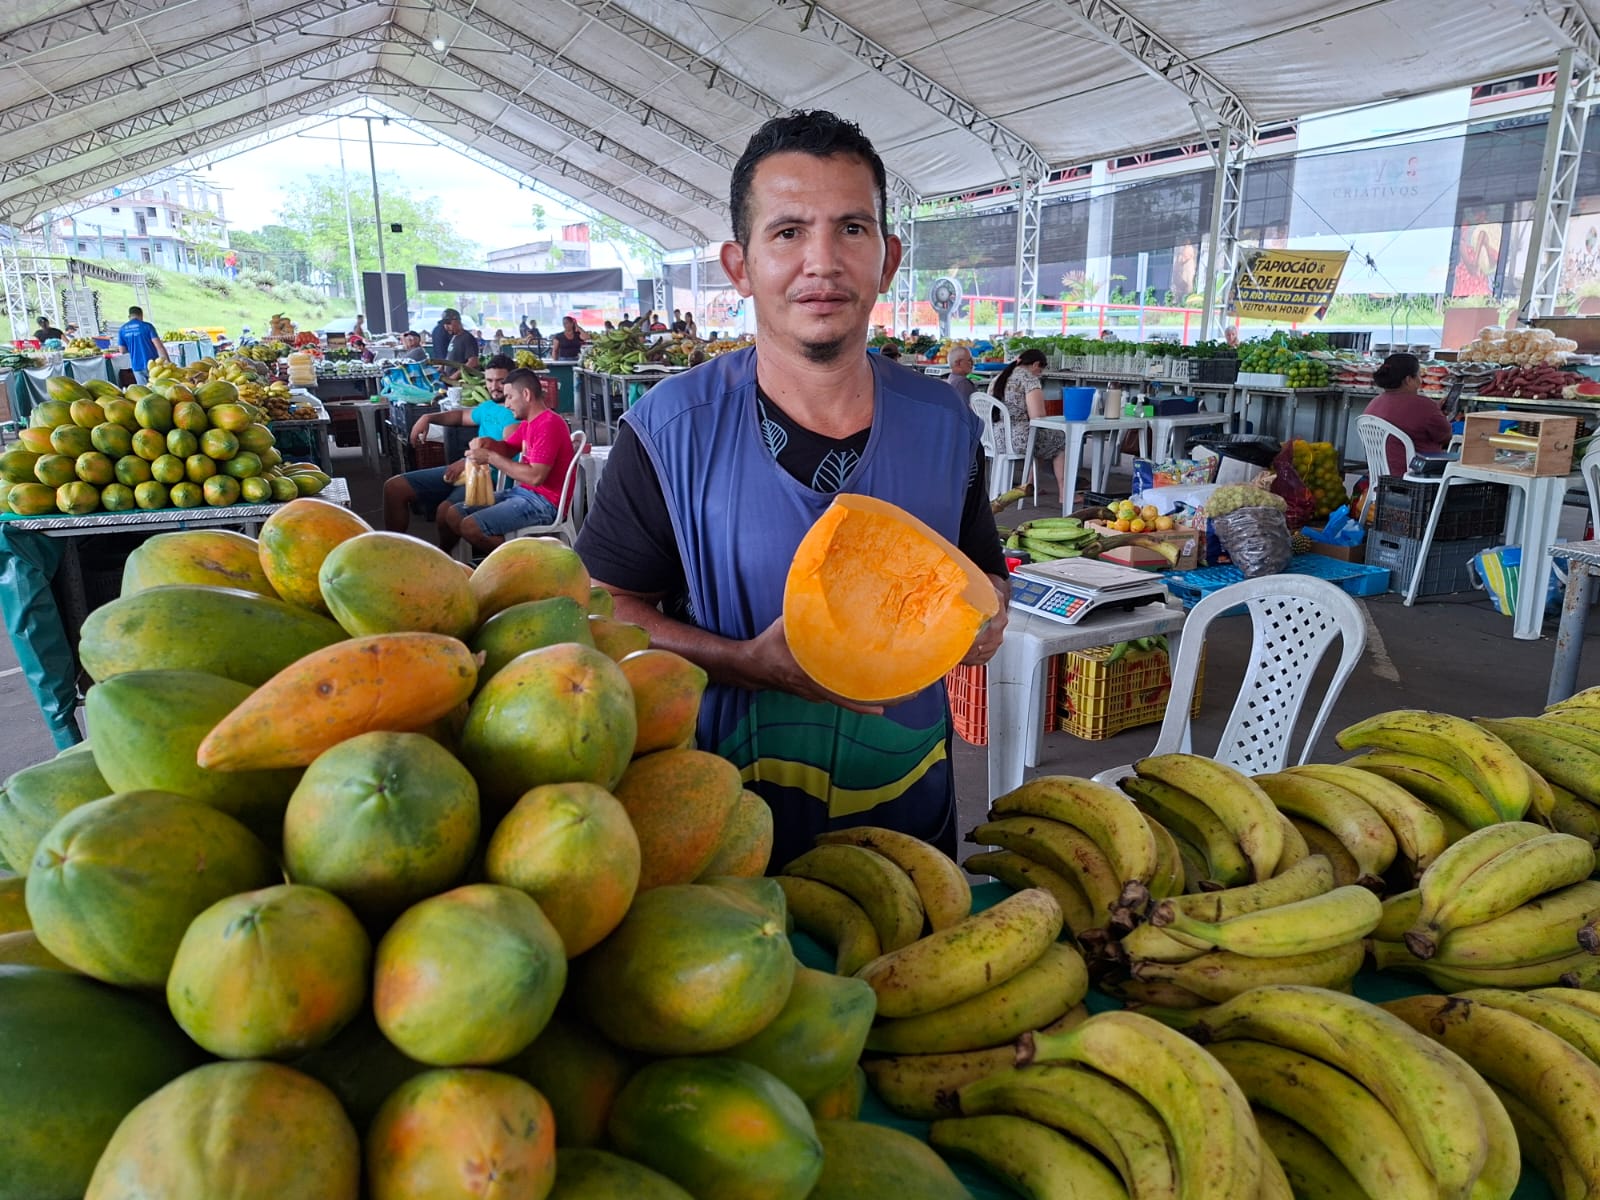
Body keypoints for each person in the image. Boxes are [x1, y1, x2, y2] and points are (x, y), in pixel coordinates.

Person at [574, 109, 1008, 864]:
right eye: (787, 232)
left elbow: (984, 574)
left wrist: (989, 619)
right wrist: (744, 660)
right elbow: (602, 608)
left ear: (888, 258)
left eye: (851, 228)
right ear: (740, 265)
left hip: (910, 813)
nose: (822, 262)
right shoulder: (668, 429)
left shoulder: (947, 424)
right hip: (725, 829)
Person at [438, 367, 576, 555]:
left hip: (545, 503)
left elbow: (536, 477)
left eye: (510, 397)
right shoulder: (530, 422)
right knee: (454, 514)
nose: (507, 403)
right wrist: (489, 444)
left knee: (471, 527)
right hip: (523, 494)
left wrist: (490, 457)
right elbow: (508, 448)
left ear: (526, 394)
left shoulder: (549, 424)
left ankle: (524, 566)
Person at [382, 355, 517, 533]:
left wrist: (468, 461)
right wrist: (428, 417)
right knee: (394, 488)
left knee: (445, 513)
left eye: (500, 381)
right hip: (468, 468)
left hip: (489, 480)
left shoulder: (515, 413)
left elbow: (506, 450)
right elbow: (461, 416)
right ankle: (391, 552)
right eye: (490, 380)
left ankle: (446, 556)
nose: (493, 387)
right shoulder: (488, 406)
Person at [993, 348, 1066, 501]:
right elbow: (1037, 417)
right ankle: (1064, 493)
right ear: (1036, 365)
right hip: (1018, 441)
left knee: (1040, 439)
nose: (1040, 373)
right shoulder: (1029, 379)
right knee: (1061, 439)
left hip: (995, 439)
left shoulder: (998, 378)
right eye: (1041, 370)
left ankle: (1029, 486)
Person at [1363, 352, 1451, 475]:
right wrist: (1438, 414)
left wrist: (1435, 411)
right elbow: (1445, 437)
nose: (1420, 380)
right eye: (1419, 375)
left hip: (1380, 477)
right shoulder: (1423, 406)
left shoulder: (1374, 403)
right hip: (1414, 477)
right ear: (1409, 380)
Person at [116, 306, 167, 384]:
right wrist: (167, 361)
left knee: (144, 392)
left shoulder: (122, 329)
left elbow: (122, 350)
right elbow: (159, 346)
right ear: (141, 315)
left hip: (136, 365)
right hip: (153, 365)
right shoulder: (147, 326)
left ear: (129, 316)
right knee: (157, 389)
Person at [440, 313, 480, 379]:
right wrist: (442, 366)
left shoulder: (467, 338)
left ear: (458, 321)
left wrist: (454, 376)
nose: (446, 327)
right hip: (449, 379)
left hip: (459, 382)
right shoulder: (454, 337)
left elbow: (473, 362)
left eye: (448, 323)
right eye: (444, 324)